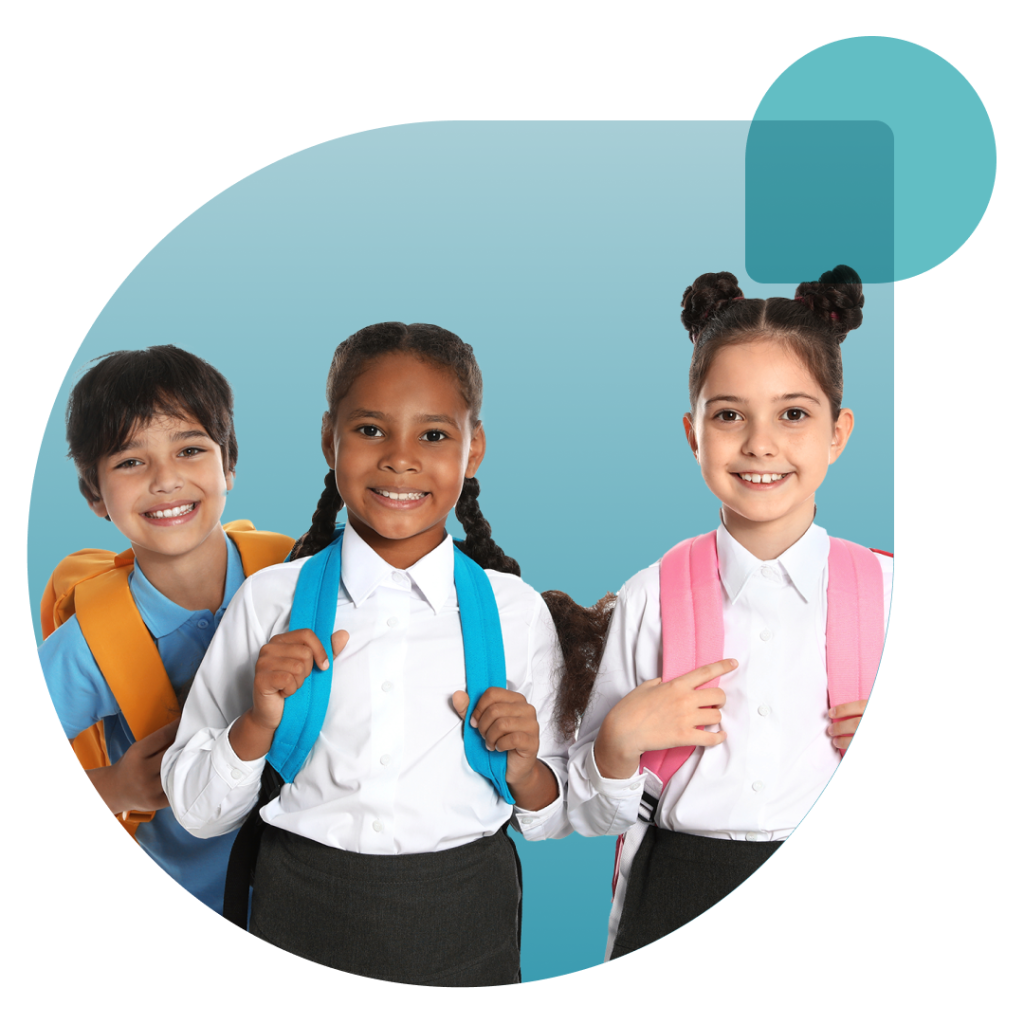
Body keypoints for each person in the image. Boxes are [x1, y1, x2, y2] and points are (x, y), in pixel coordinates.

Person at [163, 321, 602, 986]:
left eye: (433, 434)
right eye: (370, 430)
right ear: (328, 440)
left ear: (473, 447)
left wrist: (523, 769)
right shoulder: (270, 601)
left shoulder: (514, 612)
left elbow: (554, 814)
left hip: (465, 918)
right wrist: (255, 724)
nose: (400, 458)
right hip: (300, 910)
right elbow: (198, 812)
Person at [565, 267, 893, 959]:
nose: (759, 443)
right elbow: (587, 810)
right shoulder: (651, 595)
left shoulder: (897, 596)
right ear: (693, 432)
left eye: (794, 414)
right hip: (679, 891)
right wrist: (619, 743)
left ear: (839, 433)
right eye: (729, 414)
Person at [39, 345, 291, 913]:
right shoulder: (91, 646)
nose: (165, 479)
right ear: (94, 495)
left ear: (229, 465)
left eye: (191, 449)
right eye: (130, 462)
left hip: (315, 904)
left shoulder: (296, 575)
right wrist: (118, 788)